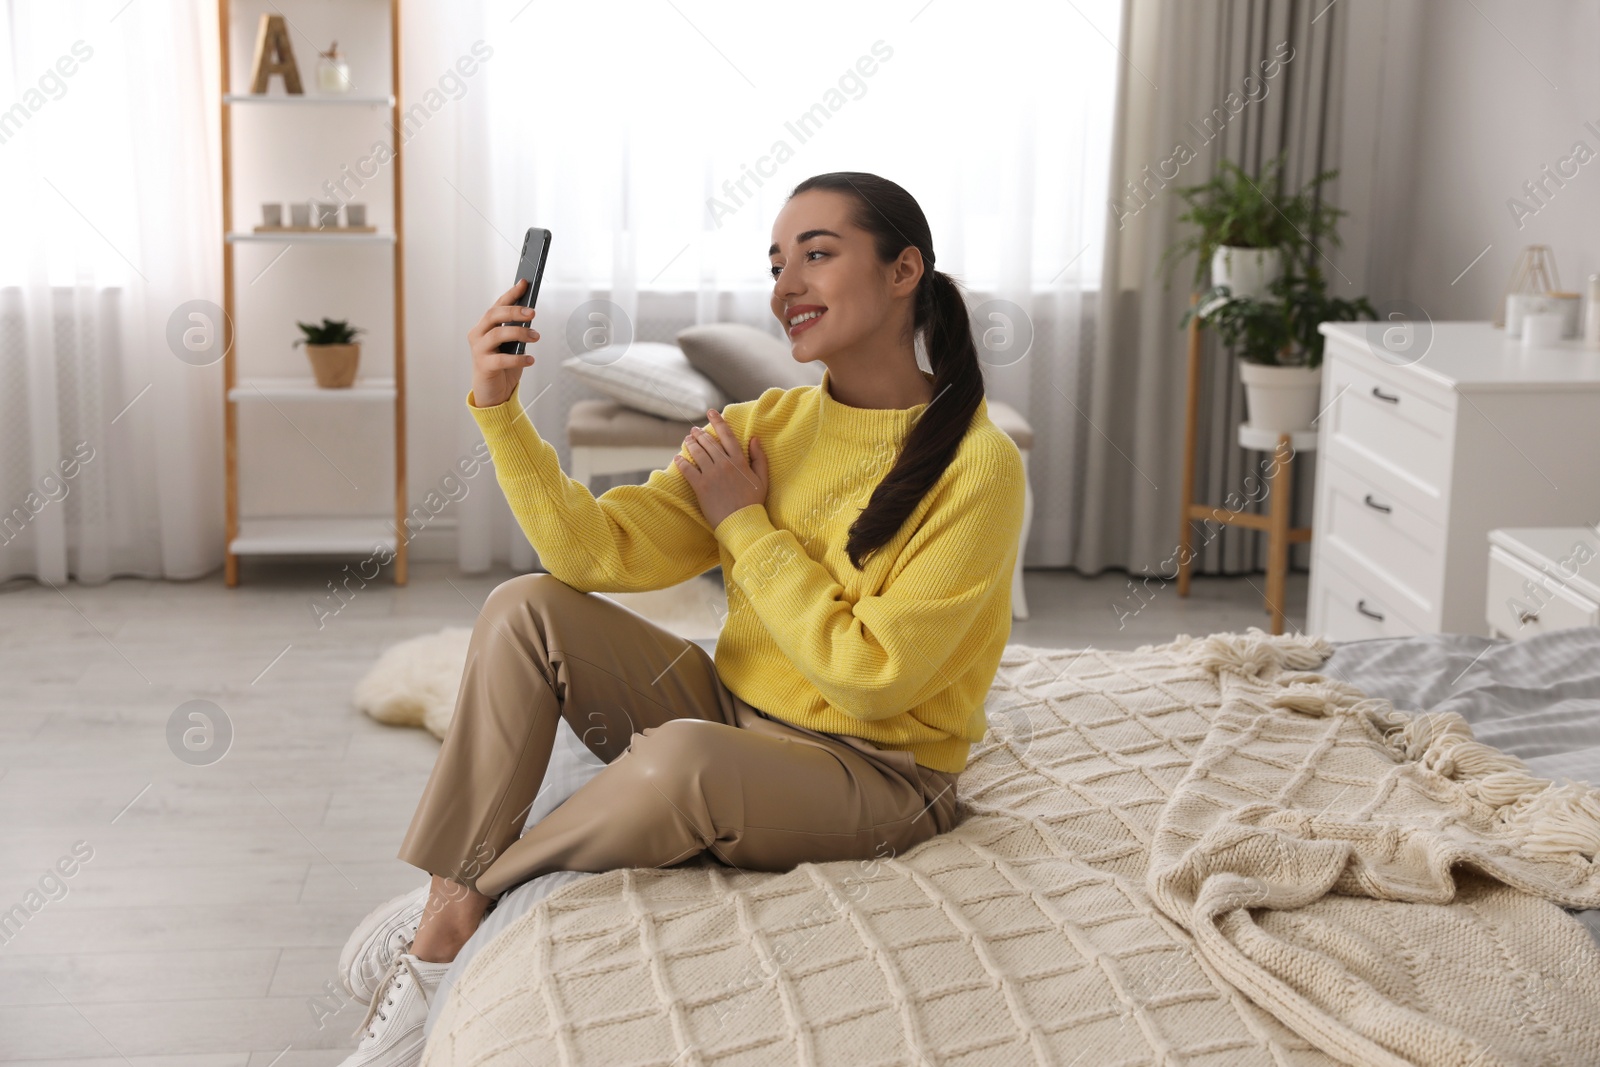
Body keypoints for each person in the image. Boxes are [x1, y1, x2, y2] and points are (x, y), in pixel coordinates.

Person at [338, 171, 1026, 1066]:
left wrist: (744, 519)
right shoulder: (764, 425)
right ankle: (448, 889)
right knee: (526, 607)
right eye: (777, 263)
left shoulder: (978, 465)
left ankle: (460, 909)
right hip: (737, 709)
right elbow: (591, 555)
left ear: (905, 271)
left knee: (682, 758)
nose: (787, 286)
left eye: (817, 254)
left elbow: (874, 675)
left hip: (881, 774)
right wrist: (501, 412)